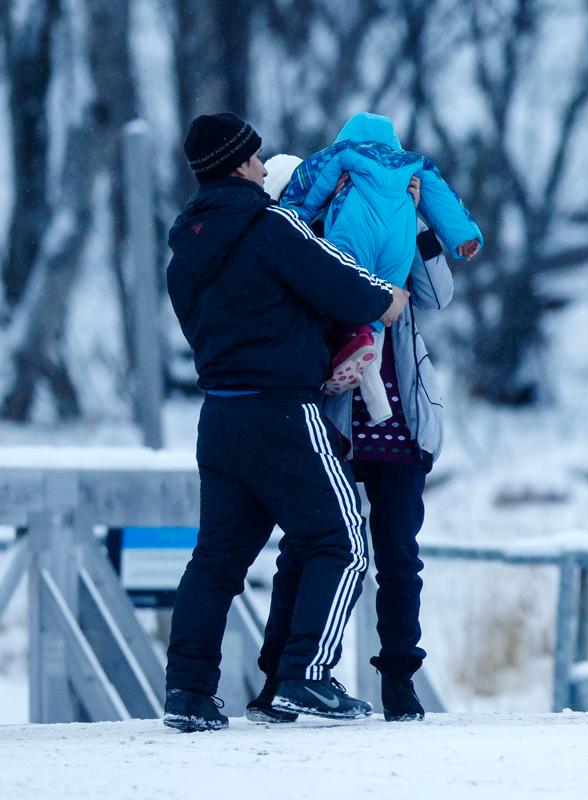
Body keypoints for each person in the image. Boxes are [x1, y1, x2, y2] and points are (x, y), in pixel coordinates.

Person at [162, 112, 410, 732]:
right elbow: (338, 281)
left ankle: (188, 693)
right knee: (344, 542)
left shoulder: (185, 249)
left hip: (219, 414)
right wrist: (387, 299)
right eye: (254, 157)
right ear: (244, 164)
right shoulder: (270, 226)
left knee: (217, 558)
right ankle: (307, 676)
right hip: (282, 412)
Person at [249, 146, 480, 723]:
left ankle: (399, 680)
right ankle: (281, 677)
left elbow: (438, 296)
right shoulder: (321, 236)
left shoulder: (398, 234)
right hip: (335, 414)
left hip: (401, 419)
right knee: (307, 546)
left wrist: (423, 222)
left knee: (399, 553)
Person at [279, 112, 482, 422]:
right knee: (373, 303)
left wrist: (415, 222)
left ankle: (358, 355)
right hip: (341, 426)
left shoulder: (346, 157)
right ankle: (367, 367)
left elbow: (438, 295)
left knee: (353, 298)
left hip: (401, 424)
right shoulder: (412, 164)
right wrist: (464, 236)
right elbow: (443, 196)